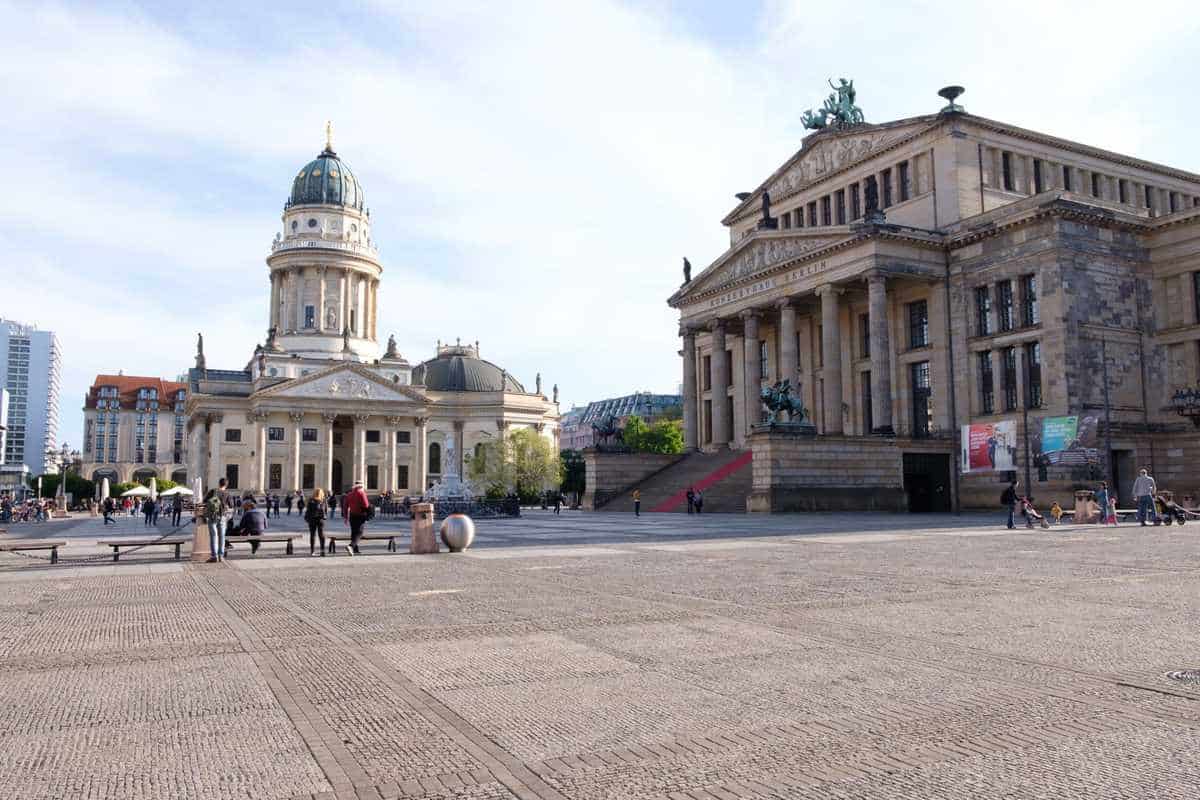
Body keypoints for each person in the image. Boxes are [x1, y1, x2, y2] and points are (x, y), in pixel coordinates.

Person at [203, 479, 230, 563]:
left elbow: (204, 501)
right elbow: (231, 505)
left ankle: (214, 556)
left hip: (212, 517)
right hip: (222, 517)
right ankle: (221, 556)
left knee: (213, 536)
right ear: (226, 485)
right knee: (222, 536)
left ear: (219, 484)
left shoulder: (213, 491)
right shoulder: (227, 493)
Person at [342, 479, 370, 555]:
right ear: (361, 486)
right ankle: (351, 546)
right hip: (360, 515)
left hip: (352, 515)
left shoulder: (349, 494)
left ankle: (355, 549)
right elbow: (366, 505)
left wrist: (345, 517)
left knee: (354, 532)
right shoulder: (361, 493)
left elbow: (345, 507)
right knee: (360, 532)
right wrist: (368, 514)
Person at [305, 489, 328, 555]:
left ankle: (312, 551)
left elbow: (308, 510)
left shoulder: (311, 500)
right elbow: (326, 511)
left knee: (312, 535)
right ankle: (322, 551)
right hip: (320, 519)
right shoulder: (323, 500)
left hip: (312, 519)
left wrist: (307, 517)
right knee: (321, 535)